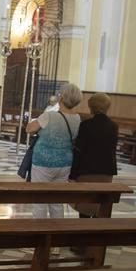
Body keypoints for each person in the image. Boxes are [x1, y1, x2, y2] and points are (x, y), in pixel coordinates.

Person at [26, 82, 82, 219]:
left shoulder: (49, 116)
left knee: (39, 201)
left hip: (43, 163)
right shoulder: (77, 118)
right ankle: (56, 234)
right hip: (65, 163)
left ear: (61, 98)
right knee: (57, 201)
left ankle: (39, 235)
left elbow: (30, 129)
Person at [69, 92, 118, 216]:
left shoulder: (86, 125)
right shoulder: (113, 126)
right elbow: (111, 149)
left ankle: (83, 232)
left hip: (87, 171)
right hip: (106, 172)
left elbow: (79, 151)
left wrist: (72, 175)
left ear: (92, 107)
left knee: (85, 206)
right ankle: (96, 232)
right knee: (100, 205)